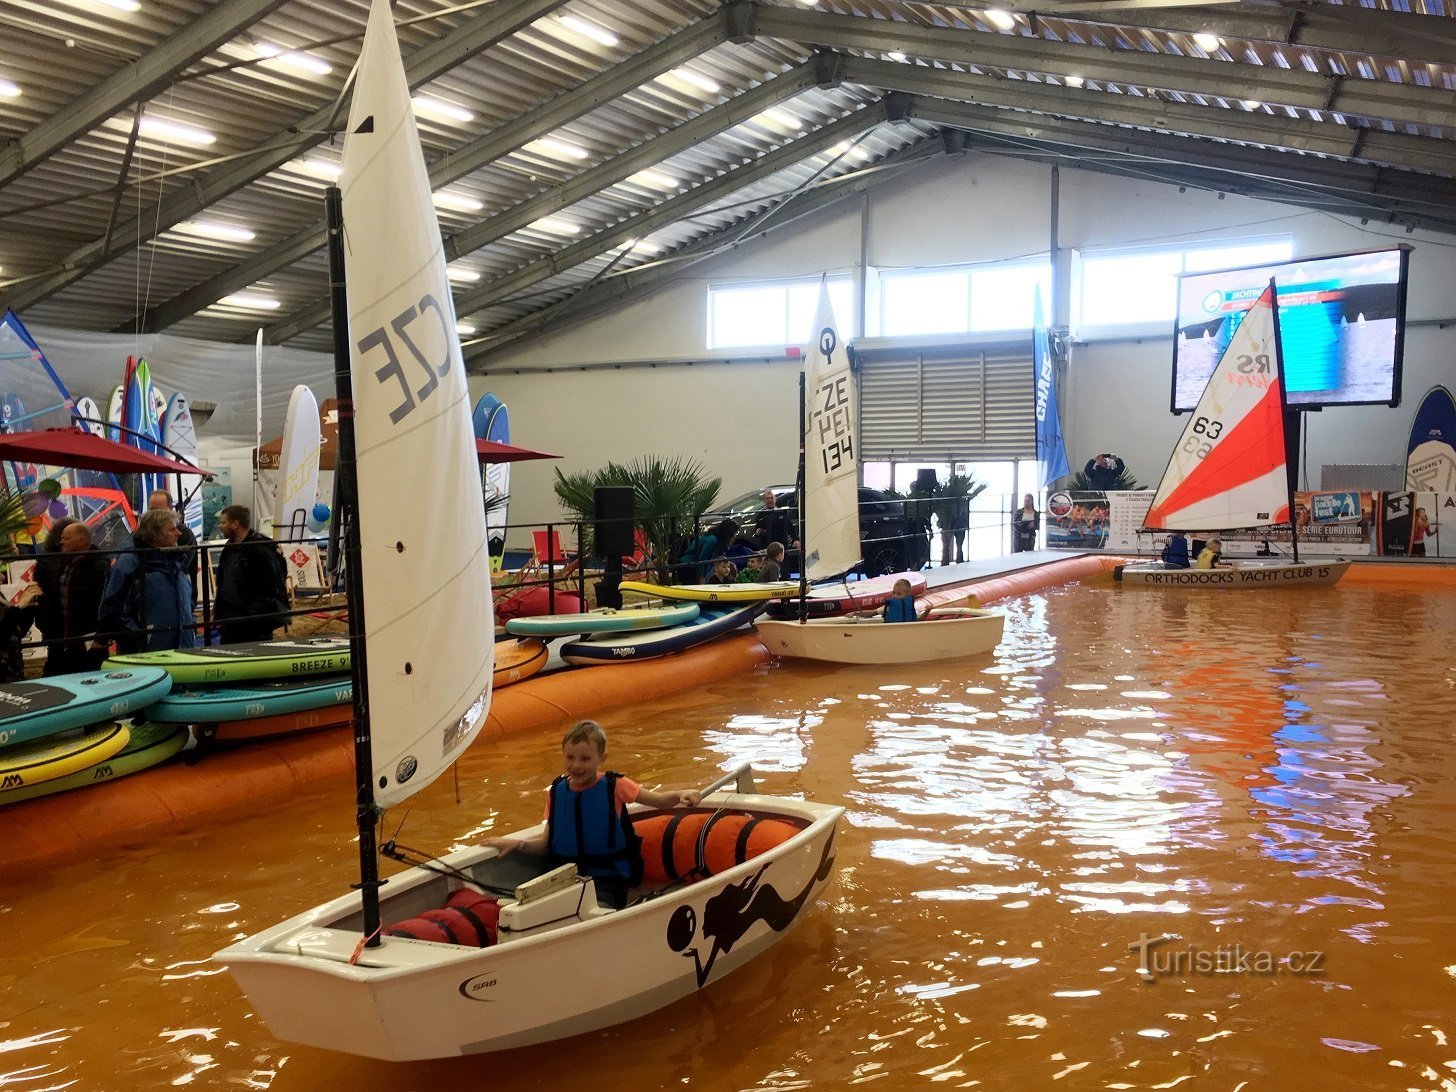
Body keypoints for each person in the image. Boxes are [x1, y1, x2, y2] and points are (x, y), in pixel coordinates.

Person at [481, 720, 701, 909]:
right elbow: (546, 844)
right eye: (570, 757)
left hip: (608, 878)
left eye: (585, 759)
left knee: (591, 910)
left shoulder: (616, 785)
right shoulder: (557, 792)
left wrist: (681, 793)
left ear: (601, 759)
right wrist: (517, 844)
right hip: (564, 877)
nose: (576, 765)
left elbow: (659, 800)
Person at [96, 508, 196, 653]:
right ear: (155, 534)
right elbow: (114, 605)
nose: (179, 533)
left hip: (181, 647)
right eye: (172, 529)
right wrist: (137, 637)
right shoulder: (130, 561)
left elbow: (188, 598)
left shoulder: (177, 561)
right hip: (145, 651)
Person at [214, 505, 290, 644]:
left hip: (251, 623)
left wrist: (252, 619)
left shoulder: (260, 549)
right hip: (231, 618)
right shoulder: (230, 547)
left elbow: (268, 590)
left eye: (223, 522)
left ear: (235, 524)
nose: (220, 526)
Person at [42, 521, 111, 675]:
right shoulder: (66, 562)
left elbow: (107, 604)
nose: (61, 542)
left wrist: (101, 638)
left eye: (66, 538)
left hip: (89, 643)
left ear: (81, 541)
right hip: (63, 642)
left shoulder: (99, 567)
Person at [0, 583, 43, 683]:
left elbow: (15, 632)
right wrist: (19, 607)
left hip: (12, 674)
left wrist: (28, 609)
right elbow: (3, 635)